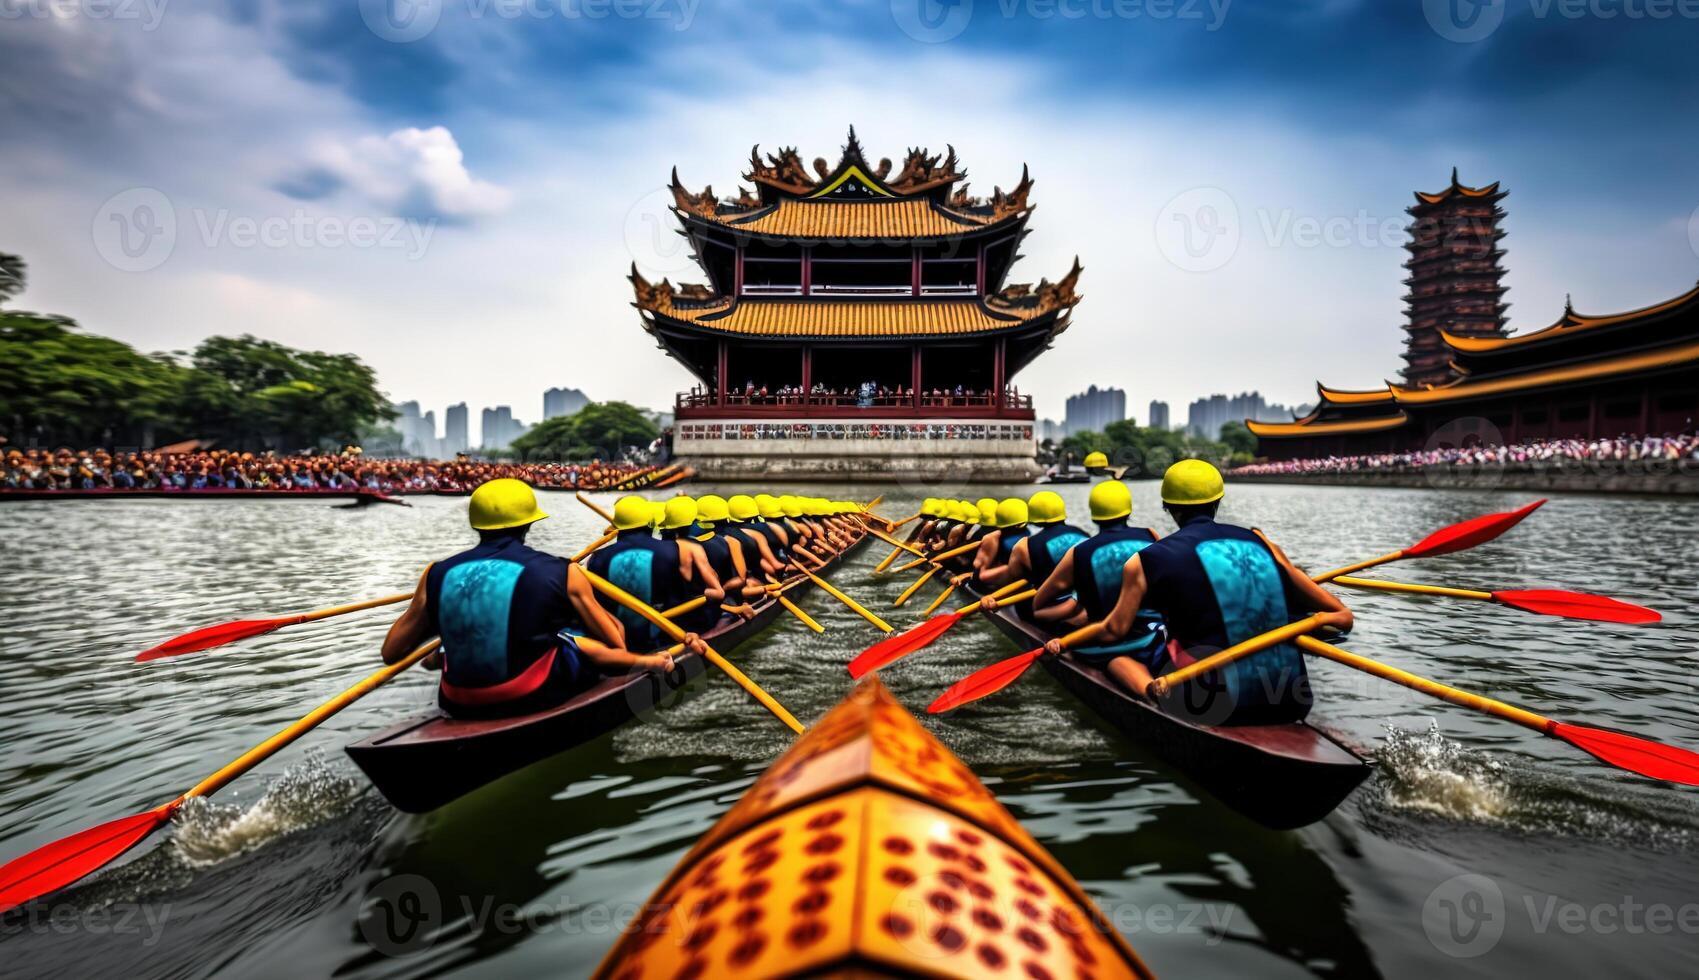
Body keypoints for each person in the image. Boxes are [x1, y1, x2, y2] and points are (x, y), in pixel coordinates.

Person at [1048, 461, 1353, 725]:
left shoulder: (1145, 560)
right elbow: (1342, 617)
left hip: (1209, 702)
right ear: (1218, 500)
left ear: (1168, 508)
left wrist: (1064, 641)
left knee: (1118, 658)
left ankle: (1153, 696)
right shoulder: (1261, 542)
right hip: (1293, 699)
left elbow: (1115, 630)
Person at [379, 479, 695, 719]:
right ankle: (645, 663)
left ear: (477, 523)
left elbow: (392, 652)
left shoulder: (435, 573)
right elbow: (617, 642)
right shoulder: (563, 571)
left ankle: (450, 658)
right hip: (534, 693)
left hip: (454, 700)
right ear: (530, 522)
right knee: (579, 641)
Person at [586, 494, 718, 652]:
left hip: (616, 640)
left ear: (616, 527)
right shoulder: (675, 550)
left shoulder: (596, 558)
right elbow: (688, 594)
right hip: (666, 637)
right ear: (651, 524)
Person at [977, 490, 1087, 598]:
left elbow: (1012, 579)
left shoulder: (1023, 545)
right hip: (1084, 597)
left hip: (1046, 602)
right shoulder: (1083, 533)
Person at [971, 498, 1030, 587]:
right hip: (999, 582)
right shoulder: (993, 538)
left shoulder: (1032, 535)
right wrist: (1009, 569)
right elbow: (981, 574)